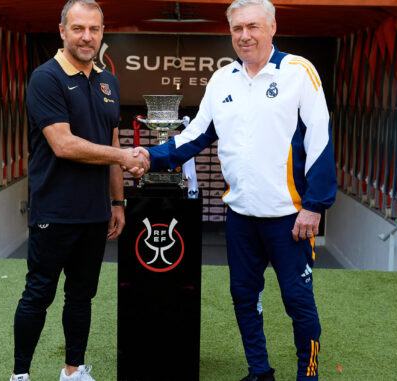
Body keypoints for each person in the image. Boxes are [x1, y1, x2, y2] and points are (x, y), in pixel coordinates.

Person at [136, 0, 336, 380]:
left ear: (272, 27)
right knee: (245, 299)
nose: (245, 36)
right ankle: (259, 372)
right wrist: (150, 156)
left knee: (298, 303)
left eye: (253, 26)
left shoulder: (298, 72)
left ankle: (307, 375)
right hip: (240, 217)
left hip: (289, 217)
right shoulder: (222, 79)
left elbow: (321, 141)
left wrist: (314, 205)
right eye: (237, 29)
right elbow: (194, 137)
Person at [10, 1, 148, 380]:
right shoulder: (46, 78)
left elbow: (111, 141)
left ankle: (72, 371)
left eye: (94, 29)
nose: (86, 36)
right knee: (38, 294)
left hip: (94, 213)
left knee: (81, 296)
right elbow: (64, 145)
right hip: (53, 211)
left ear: (103, 33)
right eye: (78, 28)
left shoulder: (109, 81)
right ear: (62, 31)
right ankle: (20, 375)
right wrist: (122, 155)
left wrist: (117, 202)